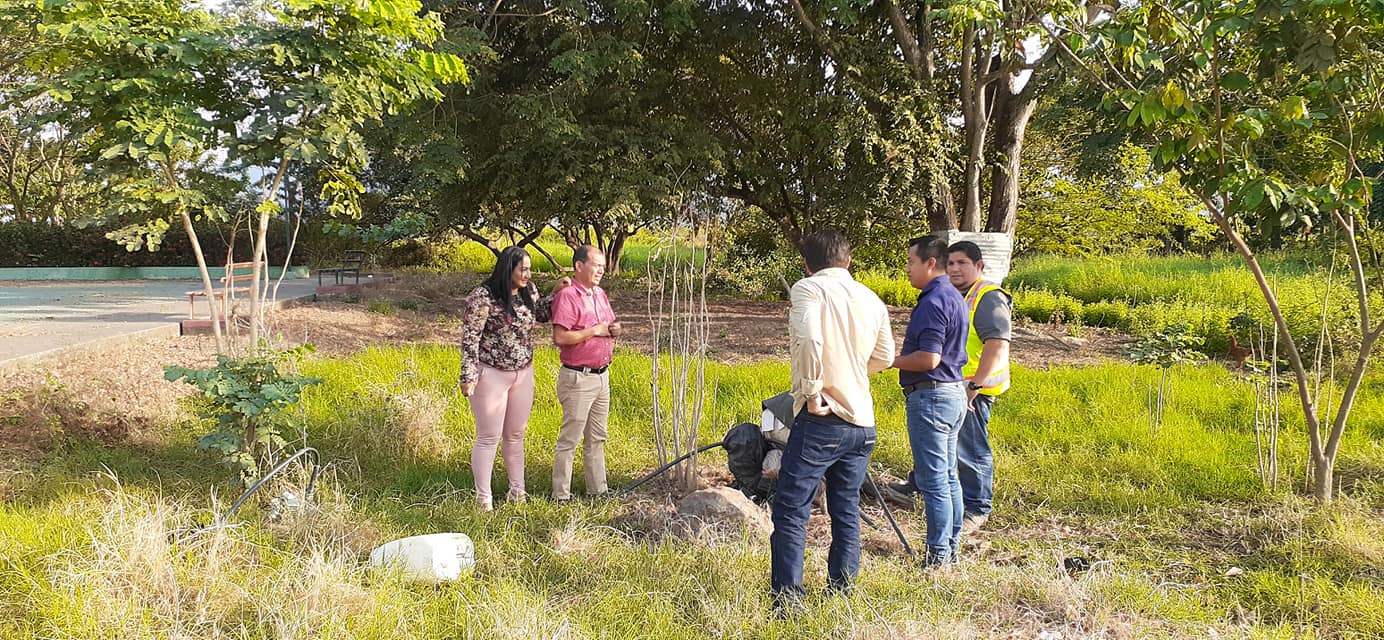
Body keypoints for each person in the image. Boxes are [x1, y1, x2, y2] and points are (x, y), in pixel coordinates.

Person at [771, 229, 894, 613]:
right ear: (848, 261)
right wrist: (852, 370)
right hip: (862, 421)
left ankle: (788, 601)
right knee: (846, 509)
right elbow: (886, 356)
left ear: (807, 264)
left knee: (792, 509)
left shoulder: (808, 289)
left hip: (823, 417)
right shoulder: (871, 298)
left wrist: (812, 391)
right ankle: (841, 593)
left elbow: (810, 340)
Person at [884, 241, 1011, 533]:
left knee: (969, 451)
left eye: (962, 263)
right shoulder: (953, 295)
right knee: (942, 453)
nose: (954, 269)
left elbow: (996, 345)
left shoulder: (988, 297)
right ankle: (919, 486)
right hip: (951, 384)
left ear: (979, 266)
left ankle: (976, 507)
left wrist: (975, 385)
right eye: (951, 262)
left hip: (970, 389)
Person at [460, 246, 570, 512]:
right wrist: (468, 375)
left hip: (523, 372)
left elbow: (540, 314)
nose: (527, 274)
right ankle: (484, 499)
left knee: (516, 434)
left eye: (529, 269)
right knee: (489, 436)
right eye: (523, 269)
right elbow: (470, 339)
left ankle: (517, 491)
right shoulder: (483, 297)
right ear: (507, 269)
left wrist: (556, 294)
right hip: (491, 373)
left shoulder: (527, 290)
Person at [888, 236, 970, 566]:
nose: (908, 269)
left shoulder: (933, 301)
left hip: (932, 396)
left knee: (934, 481)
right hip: (953, 392)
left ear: (930, 263)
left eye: (911, 262)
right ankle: (951, 548)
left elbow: (929, 358)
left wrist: (887, 361)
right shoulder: (954, 296)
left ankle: (938, 558)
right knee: (948, 477)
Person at [550, 245, 622, 502]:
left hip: (602, 376)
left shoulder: (599, 294)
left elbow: (609, 324)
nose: (601, 270)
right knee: (570, 438)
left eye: (603, 266)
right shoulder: (568, 296)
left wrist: (614, 329)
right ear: (579, 266)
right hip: (578, 377)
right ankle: (561, 495)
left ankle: (598, 490)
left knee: (597, 437)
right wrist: (593, 331)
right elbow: (560, 337)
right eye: (596, 265)